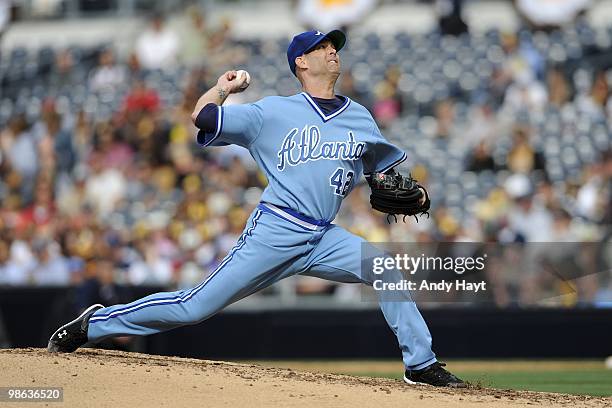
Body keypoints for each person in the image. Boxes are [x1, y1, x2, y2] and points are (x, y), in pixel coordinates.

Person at [47, 29, 465, 388]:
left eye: (334, 45)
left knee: (383, 266)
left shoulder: (360, 117)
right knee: (194, 307)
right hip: (276, 230)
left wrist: (411, 193)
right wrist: (223, 87)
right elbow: (203, 116)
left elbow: (383, 178)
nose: (333, 50)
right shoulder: (272, 112)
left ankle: (421, 364)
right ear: (301, 62)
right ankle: (95, 324)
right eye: (322, 46)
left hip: (324, 236)